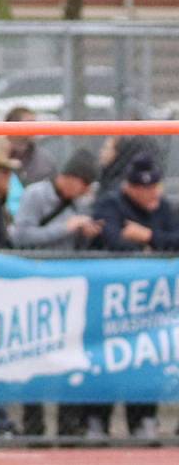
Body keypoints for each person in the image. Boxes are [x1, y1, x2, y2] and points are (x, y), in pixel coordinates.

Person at [8, 148, 101, 437]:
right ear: (71, 178)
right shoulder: (36, 195)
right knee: (33, 357)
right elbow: (21, 236)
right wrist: (65, 228)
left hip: (68, 290)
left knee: (70, 356)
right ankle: (33, 425)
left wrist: (85, 233)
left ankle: (68, 424)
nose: (85, 192)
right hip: (35, 287)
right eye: (83, 185)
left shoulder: (79, 204)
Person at [93, 153, 178, 438]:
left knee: (146, 359)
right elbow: (113, 240)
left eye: (154, 186)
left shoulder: (161, 207)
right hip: (109, 298)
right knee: (104, 359)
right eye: (144, 188)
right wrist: (151, 242)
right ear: (130, 186)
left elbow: (174, 241)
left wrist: (148, 236)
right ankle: (97, 421)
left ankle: (144, 420)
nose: (151, 193)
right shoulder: (110, 203)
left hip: (150, 300)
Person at [4, 107, 57, 186]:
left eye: (35, 123)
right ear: (12, 125)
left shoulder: (45, 160)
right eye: (29, 123)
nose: (34, 127)